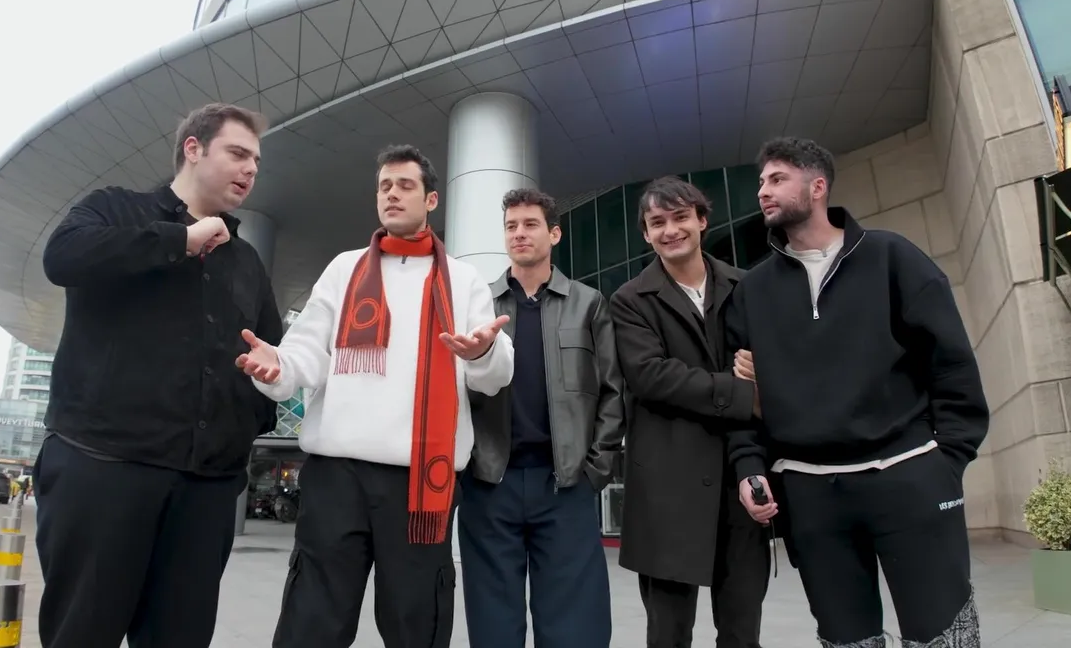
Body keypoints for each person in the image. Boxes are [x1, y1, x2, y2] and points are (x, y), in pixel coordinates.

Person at [237, 144, 515, 648]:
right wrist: (276, 366)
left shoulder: (463, 279)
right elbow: (306, 354)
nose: (392, 194)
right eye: (385, 186)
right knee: (312, 619)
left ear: (431, 200)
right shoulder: (345, 269)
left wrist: (482, 353)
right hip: (336, 477)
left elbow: (493, 376)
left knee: (416, 623)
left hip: (421, 482)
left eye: (405, 185)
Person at [35, 103, 283, 648]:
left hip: (205, 491)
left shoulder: (245, 262)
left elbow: (269, 353)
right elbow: (62, 258)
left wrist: (252, 414)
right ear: (193, 149)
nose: (250, 169)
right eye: (237, 153)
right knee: (82, 634)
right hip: (104, 470)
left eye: (256, 161)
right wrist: (178, 241)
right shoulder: (116, 209)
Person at [726, 136, 988, 648]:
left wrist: (947, 459)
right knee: (846, 640)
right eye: (761, 182)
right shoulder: (752, 291)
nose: (763, 191)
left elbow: (951, 362)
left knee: (944, 635)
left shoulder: (892, 257)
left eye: (777, 179)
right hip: (810, 495)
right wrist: (750, 466)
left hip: (908, 477)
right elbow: (740, 398)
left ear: (817, 186)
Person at [609, 177, 771, 648]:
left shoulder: (746, 287)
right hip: (667, 491)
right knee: (669, 635)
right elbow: (652, 376)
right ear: (646, 234)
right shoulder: (629, 300)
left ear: (701, 220)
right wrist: (744, 393)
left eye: (680, 217)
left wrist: (762, 380)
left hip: (738, 478)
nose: (670, 230)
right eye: (657, 222)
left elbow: (771, 362)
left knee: (742, 632)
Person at [459, 188, 625, 648]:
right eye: (511, 226)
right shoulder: (479, 305)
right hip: (490, 485)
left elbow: (613, 392)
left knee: (576, 628)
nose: (519, 233)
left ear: (554, 234)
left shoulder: (588, 303)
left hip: (565, 486)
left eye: (530, 224)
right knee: (493, 625)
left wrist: (595, 469)